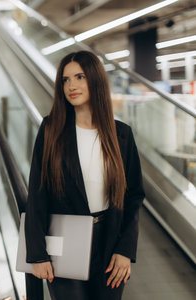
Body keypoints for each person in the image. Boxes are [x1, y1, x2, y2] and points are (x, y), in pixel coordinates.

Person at [24, 50, 145, 300]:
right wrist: (37, 254)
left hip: (109, 242)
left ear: (95, 79)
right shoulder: (51, 130)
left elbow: (133, 196)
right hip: (65, 241)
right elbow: (38, 193)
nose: (72, 86)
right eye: (65, 80)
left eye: (79, 77)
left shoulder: (121, 135)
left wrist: (125, 249)